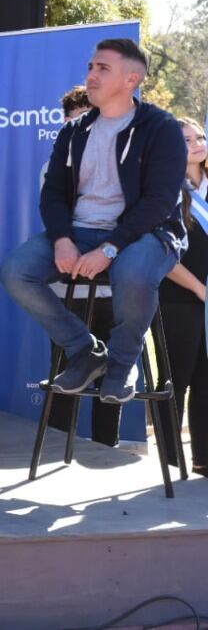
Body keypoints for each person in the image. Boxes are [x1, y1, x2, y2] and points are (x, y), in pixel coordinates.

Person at [0, 38, 187, 405]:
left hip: (147, 233)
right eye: (90, 67)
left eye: (103, 68)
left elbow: (159, 202)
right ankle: (85, 350)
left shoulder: (160, 128)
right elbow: (52, 193)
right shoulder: (75, 130)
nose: (91, 75)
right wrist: (61, 239)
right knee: (15, 271)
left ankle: (121, 364)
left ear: (132, 79)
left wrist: (111, 247)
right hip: (81, 230)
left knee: (132, 273)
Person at [44, 84, 121, 447]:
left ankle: (107, 448)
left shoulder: (123, 162)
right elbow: (56, 218)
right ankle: (60, 446)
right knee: (69, 369)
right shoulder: (54, 166)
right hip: (69, 286)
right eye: (72, 121)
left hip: (113, 286)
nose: (80, 128)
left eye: (86, 118)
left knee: (111, 374)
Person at [156, 117, 208, 475]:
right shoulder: (164, 191)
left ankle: (204, 460)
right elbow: (163, 258)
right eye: (186, 138)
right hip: (180, 299)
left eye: (200, 136)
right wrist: (201, 289)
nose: (196, 142)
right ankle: (171, 465)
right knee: (178, 378)